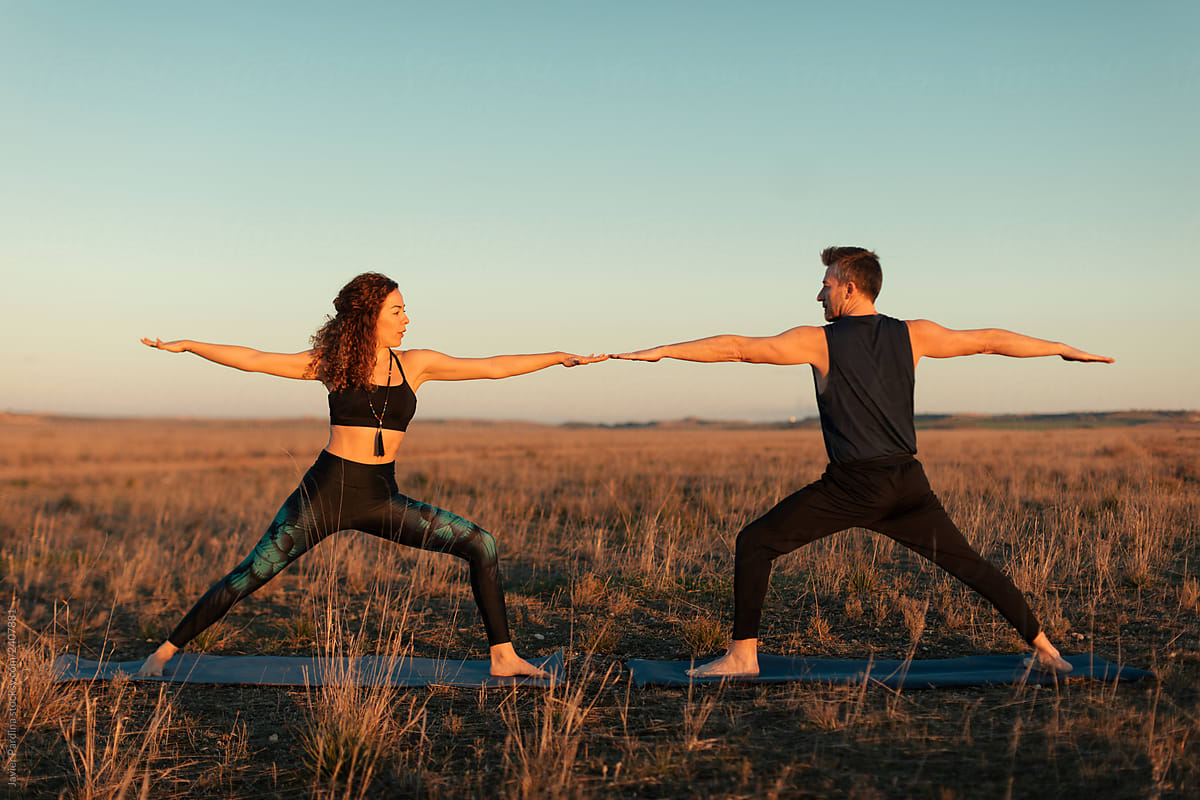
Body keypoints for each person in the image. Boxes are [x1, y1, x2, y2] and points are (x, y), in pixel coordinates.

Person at [615, 247, 1113, 676]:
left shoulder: (819, 339)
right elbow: (989, 339)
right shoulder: (914, 333)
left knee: (755, 541)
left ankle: (743, 657)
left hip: (854, 486)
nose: (819, 295)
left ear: (849, 288)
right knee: (971, 567)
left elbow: (740, 349)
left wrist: (662, 352)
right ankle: (1047, 651)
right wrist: (1063, 350)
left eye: (825, 284)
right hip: (906, 483)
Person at [137, 272, 604, 678]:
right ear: (370, 316)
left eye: (405, 311)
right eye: (397, 311)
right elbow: (255, 359)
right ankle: (164, 652)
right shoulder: (330, 363)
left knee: (481, 543)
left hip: (381, 496)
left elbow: (491, 368)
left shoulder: (415, 364)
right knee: (251, 574)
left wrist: (555, 357)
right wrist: (190, 345)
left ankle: (503, 655)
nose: (406, 320)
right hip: (325, 493)